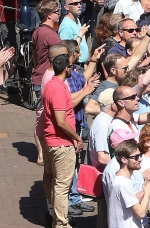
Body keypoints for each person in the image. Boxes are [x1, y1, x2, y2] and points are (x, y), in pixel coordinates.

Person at [41, 52, 84, 228]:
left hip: (52, 141)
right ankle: (60, 223)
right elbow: (60, 121)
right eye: (71, 67)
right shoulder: (58, 89)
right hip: (61, 143)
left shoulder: (52, 84)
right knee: (62, 185)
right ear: (66, 69)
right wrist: (77, 137)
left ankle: (57, 220)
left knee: (56, 181)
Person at [108, 139, 150, 228]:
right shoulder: (123, 184)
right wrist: (147, 192)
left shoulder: (119, 179)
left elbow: (131, 199)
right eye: (136, 157)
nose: (140, 159)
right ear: (124, 160)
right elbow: (141, 213)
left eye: (140, 155)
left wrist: (147, 185)